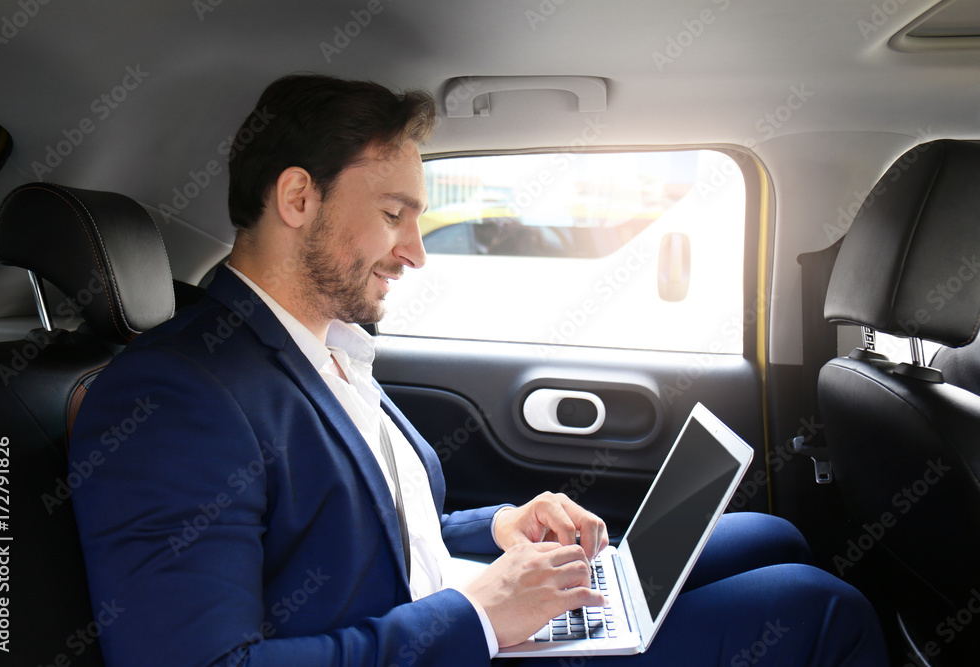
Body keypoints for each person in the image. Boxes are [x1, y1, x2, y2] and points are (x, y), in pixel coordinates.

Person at [69, 74, 888, 666]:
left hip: (448, 618)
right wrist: (481, 615)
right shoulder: (174, 395)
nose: (416, 252)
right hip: (449, 643)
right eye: (393, 214)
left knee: (770, 535)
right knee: (821, 607)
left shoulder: (324, 345)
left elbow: (369, 526)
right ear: (297, 199)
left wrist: (497, 527)